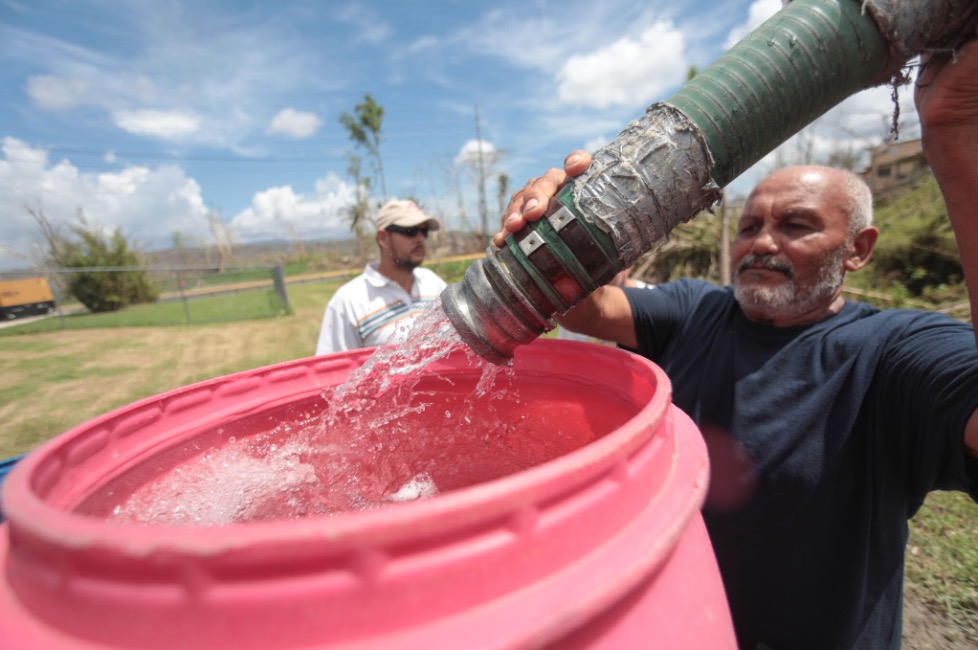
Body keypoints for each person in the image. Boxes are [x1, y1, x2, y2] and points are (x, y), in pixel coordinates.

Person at [494, 31, 978, 650]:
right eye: (750, 226)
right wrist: (557, 233)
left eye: (796, 226)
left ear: (858, 251)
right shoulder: (700, 310)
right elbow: (588, 309)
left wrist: (956, 133)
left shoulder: (894, 353)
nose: (761, 244)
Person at [316, 199, 447, 355]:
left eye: (424, 232)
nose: (420, 239)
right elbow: (333, 370)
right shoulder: (348, 302)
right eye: (410, 231)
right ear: (383, 238)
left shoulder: (433, 283)